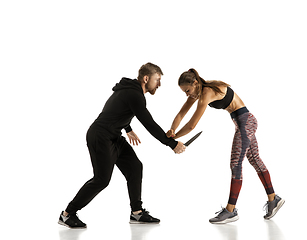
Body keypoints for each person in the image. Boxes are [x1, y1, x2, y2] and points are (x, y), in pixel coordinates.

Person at [58, 63, 186, 228]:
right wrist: (171, 143)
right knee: (101, 180)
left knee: (135, 167)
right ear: (146, 78)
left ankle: (137, 213)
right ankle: (67, 214)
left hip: (113, 136)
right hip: (100, 136)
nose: (159, 84)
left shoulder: (129, 91)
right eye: (157, 80)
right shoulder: (135, 94)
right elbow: (148, 122)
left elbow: (117, 109)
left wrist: (128, 128)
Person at [167, 68, 284, 224]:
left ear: (195, 83)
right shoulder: (199, 93)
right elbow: (181, 114)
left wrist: (174, 138)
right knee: (255, 159)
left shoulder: (207, 92)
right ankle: (273, 199)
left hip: (246, 122)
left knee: (236, 164)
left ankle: (230, 211)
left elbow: (191, 125)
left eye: (187, 90)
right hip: (243, 122)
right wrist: (172, 130)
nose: (187, 95)